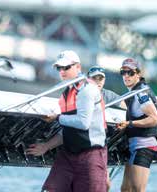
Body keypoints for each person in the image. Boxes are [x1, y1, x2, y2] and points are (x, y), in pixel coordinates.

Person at [26, 50, 108, 192]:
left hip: (91, 155)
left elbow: (83, 123)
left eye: (66, 67)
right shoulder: (67, 92)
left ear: (78, 67)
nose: (62, 71)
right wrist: (46, 146)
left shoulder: (87, 90)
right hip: (68, 154)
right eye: (59, 68)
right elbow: (67, 130)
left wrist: (57, 117)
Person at [116, 58, 157, 192]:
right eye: (123, 72)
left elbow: (155, 119)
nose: (126, 76)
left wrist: (131, 123)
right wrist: (143, 121)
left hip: (143, 146)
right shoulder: (140, 90)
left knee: (137, 189)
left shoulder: (140, 94)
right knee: (126, 189)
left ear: (138, 74)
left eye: (130, 73)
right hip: (135, 146)